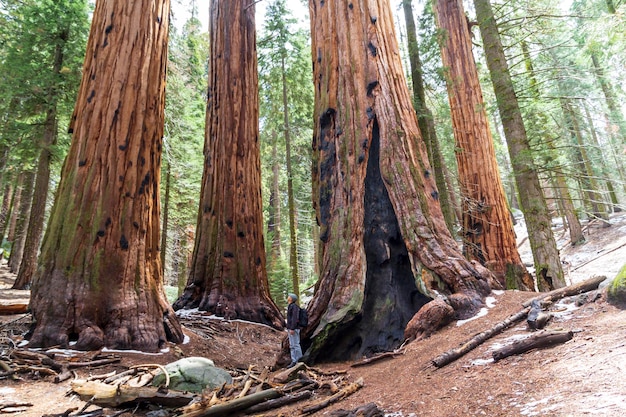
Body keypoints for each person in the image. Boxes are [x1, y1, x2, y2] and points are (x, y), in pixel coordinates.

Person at [286, 293, 303, 367]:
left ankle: (299, 360)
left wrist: (292, 328)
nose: (288, 297)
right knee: (292, 345)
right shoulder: (290, 306)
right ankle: (294, 360)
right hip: (290, 328)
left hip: (294, 329)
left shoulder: (294, 307)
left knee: (296, 344)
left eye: (289, 296)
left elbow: (294, 318)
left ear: (291, 299)